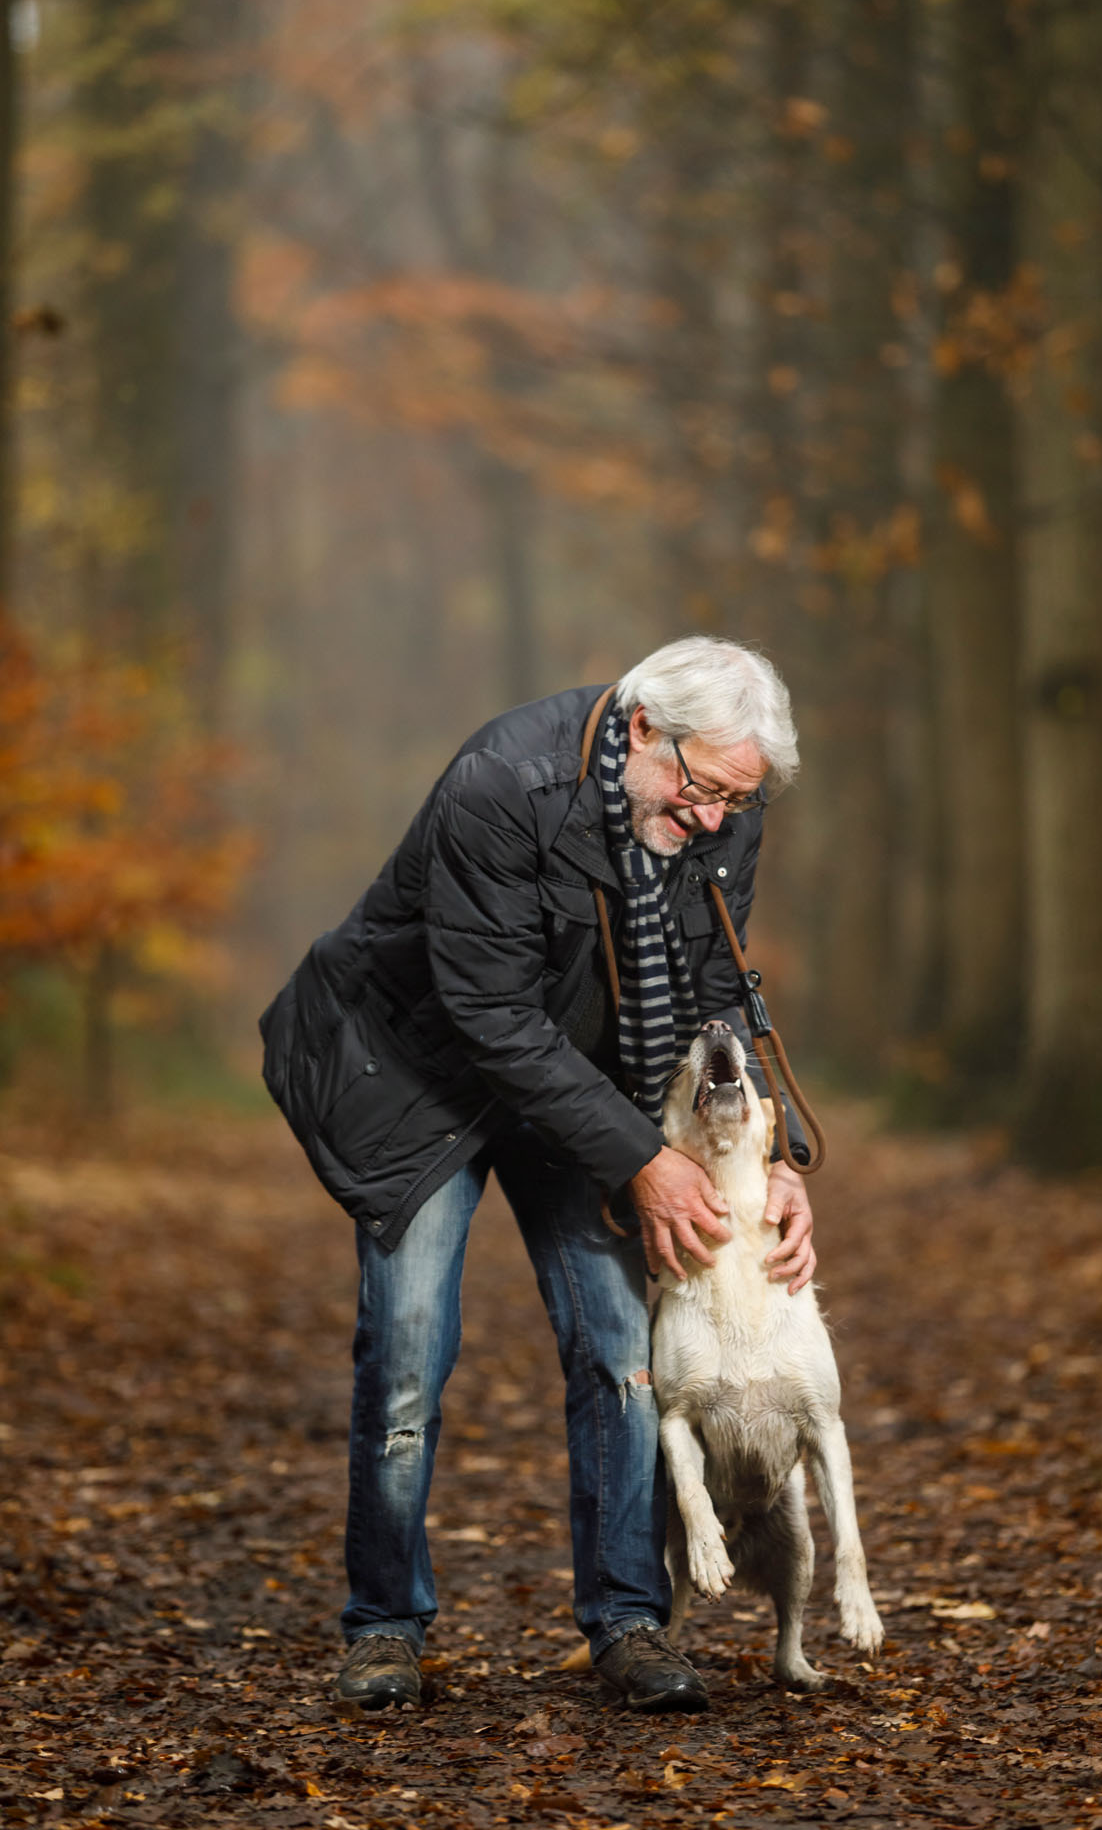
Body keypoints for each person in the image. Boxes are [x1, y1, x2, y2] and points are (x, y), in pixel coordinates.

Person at [259, 636, 816, 1715]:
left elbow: (718, 999)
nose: (714, 822)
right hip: (422, 1074)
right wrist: (644, 1160)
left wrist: (771, 1153)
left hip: (589, 1083)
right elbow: (491, 1018)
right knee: (409, 1344)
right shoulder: (500, 782)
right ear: (644, 730)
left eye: (735, 805)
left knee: (619, 1347)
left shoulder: (720, 810)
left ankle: (627, 1622)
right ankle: (383, 1625)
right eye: (702, 791)